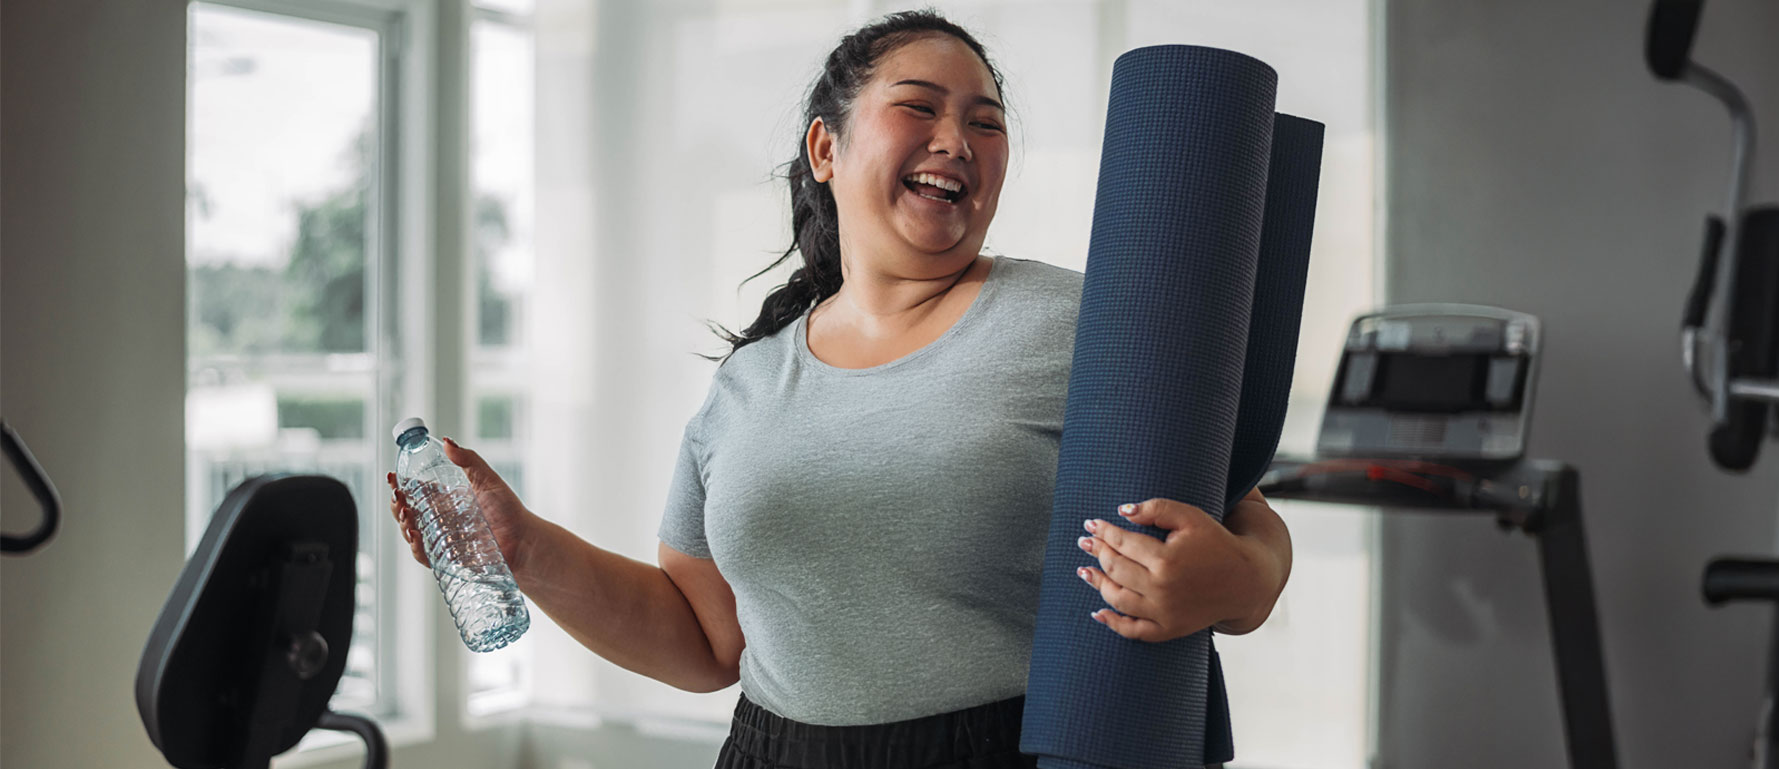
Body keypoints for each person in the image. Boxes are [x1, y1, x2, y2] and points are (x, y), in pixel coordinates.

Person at [389, 10, 1294, 768]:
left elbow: (1245, 518)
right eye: (920, 107)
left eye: (986, 121)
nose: (957, 141)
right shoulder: (748, 383)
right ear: (827, 146)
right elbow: (707, 641)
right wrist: (524, 546)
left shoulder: (1079, 322)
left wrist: (1237, 581)